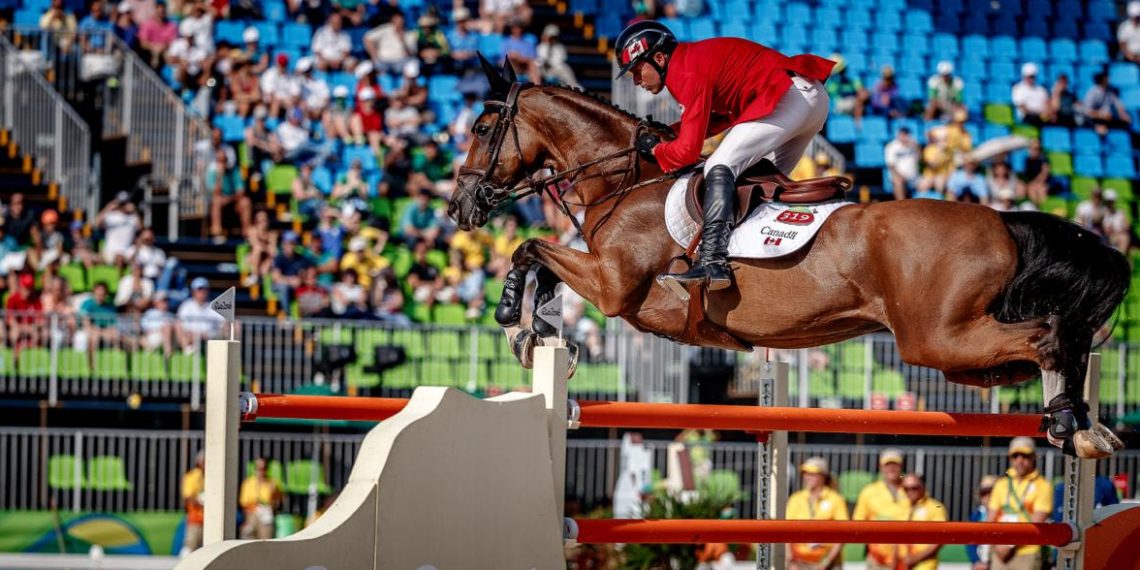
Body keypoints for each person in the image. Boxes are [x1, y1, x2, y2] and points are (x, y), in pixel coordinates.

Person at [615, 21, 834, 291]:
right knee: (762, 183)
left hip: (790, 98)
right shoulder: (689, 61)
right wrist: (672, 132)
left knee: (719, 165)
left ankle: (712, 262)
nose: (637, 81)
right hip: (808, 99)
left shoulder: (684, 72)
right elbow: (722, 119)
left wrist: (656, 149)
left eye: (637, 70)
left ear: (659, 58)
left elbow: (687, 152)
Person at [987, 437, 1053, 570]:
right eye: (1015, 456)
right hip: (999, 552)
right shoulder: (1001, 484)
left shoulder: (1043, 485)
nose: (1019, 460)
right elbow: (990, 519)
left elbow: (1036, 522)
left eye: (1025, 455)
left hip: (1027, 552)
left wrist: (1009, 545)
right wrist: (996, 545)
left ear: (1033, 457)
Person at [853, 448, 911, 570]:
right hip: (878, 559)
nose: (891, 468)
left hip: (908, 560)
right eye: (887, 465)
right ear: (881, 467)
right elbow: (858, 522)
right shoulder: (869, 491)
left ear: (901, 466)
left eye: (895, 464)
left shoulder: (912, 489)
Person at [785, 457, 846, 569]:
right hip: (799, 562)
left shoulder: (836, 499)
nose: (807, 477)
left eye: (812, 474)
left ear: (823, 476)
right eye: (805, 473)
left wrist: (826, 563)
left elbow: (842, 534)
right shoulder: (796, 498)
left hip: (827, 561)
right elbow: (787, 531)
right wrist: (791, 560)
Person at [900, 474, 946, 570]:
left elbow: (939, 540)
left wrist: (915, 559)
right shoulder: (902, 507)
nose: (910, 492)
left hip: (925, 566)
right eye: (906, 489)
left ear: (922, 486)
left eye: (914, 488)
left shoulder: (935, 507)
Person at [239, 457, 282, 539]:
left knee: (266, 531)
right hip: (251, 514)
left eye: (264, 468)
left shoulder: (272, 483)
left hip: (266, 514)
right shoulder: (248, 483)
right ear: (255, 469)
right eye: (259, 468)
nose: (261, 471)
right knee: (250, 527)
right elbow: (244, 504)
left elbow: (278, 500)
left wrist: (272, 505)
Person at [176, 277, 225, 350]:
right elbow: (180, 324)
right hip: (191, 338)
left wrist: (207, 335)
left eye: (204, 290)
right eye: (199, 290)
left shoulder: (214, 306)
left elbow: (223, 323)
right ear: (193, 291)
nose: (201, 292)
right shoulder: (186, 306)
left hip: (210, 338)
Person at [967, 475, 998, 570]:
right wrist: (976, 561)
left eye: (992, 492)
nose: (988, 496)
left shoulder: (1006, 515)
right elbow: (970, 542)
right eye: (984, 492)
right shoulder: (976, 515)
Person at [826, 55, 868, 122]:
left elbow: (863, 94)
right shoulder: (831, 83)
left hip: (851, 104)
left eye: (843, 70)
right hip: (837, 106)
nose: (843, 72)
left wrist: (861, 97)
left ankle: (858, 128)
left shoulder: (853, 80)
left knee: (859, 102)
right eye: (840, 71)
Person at [884, 127, 920, 200]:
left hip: (913, 176)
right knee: (898, 182)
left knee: (925, 184)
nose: (904, 137)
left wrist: (916, 147)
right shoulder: (892, 146)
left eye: (906, 135)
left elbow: (919, 159)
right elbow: (891, 165)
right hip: (897, 174)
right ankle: (901, 204)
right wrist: (901, 176)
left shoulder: (913, 145)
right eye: (902, 135)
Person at [180, 451, 206, 554]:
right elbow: (188, 498)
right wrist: (201, 501)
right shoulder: (191, 476)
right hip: (196, 519)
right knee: (190, 548)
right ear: (200, 462)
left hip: (211, 520)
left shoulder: (214, 477)